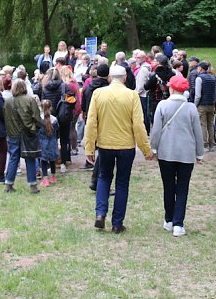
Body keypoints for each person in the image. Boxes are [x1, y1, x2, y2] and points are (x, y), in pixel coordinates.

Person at [84, 64, 154, 234]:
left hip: (105, 145)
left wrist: (89, 147)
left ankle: (100, 214)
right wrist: (146, 149)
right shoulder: (132, 96)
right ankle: (117, 223)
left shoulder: (98, 94)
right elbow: (138, 125)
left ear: (109, 78)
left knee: (104, 177)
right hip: (126, 146)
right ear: (124, 78)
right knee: (122, 183)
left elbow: (91, 122)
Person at [149, 74, 204, 237]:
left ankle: (169, 220)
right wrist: (200, 153)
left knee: (168, 186)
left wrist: (153, 149)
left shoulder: (162, 105)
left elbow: (156, 130)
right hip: (186, 153)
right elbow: (198, 133)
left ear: (171, 88)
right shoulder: (191, 108)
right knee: (182, 188)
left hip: (166, 152)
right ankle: (178, 223)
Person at [3, 79, 43, 194]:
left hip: (13, 133)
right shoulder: (30, 100)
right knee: (30, 158)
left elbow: (5, 118)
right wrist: (34, 128)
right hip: (28, 133)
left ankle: (8, 184)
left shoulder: (8, 101)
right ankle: (33, 185)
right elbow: (37, 117)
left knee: (13, 158)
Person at [37, 100, 59, 187]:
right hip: (52, 142)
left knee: (44, 161)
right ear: (51, 108)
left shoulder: (39, 119)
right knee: (52, 160)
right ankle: (53, 177)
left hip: (42, 142)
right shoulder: (54, 119)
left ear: (41, 108)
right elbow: (57, 130)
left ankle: (45, 179)